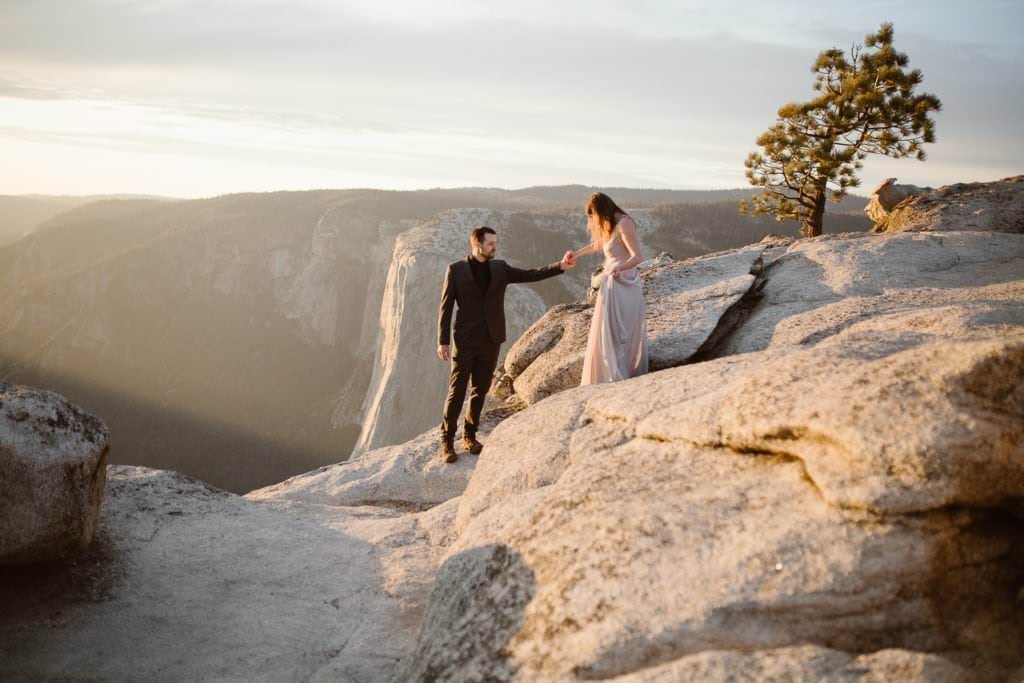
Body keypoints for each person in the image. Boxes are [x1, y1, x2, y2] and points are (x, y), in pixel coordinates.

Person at [437, 226, 575, 463]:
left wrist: (560, 266)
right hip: (465, 340)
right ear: (477, 244)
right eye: (490, 243)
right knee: (457, 391)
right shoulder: (456, 271)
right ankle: (447, 441)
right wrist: (443, 341)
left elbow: (530, 274)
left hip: (491, 339)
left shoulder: (500, 269)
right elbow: (446, 307)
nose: (494, 247)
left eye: (495, 243)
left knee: (480, 389)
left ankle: (469, 435)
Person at [569, 192, 649, 385]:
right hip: (612, 283)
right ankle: (610, 374)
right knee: (609, 333)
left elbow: (637, 256)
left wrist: (619, 268)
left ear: (601, 210)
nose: (593, 221)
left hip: (624, 283)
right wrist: (576, 254)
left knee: (619, 332)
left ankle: (621, 374)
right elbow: (600, 244)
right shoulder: (610, 223)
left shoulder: (624, 224)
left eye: (593, 216)